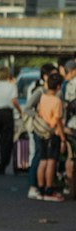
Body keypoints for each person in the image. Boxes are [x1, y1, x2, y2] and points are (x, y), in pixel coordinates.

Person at [28, 71, 67, 201]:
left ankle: (40, 188)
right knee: (51, 162)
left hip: (40, 131)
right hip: (52, 133)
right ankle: (49, 189)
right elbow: (57, 121)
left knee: (42, 161)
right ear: (58, 87)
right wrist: (62, 138)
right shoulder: (57, 101)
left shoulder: (42, 97)